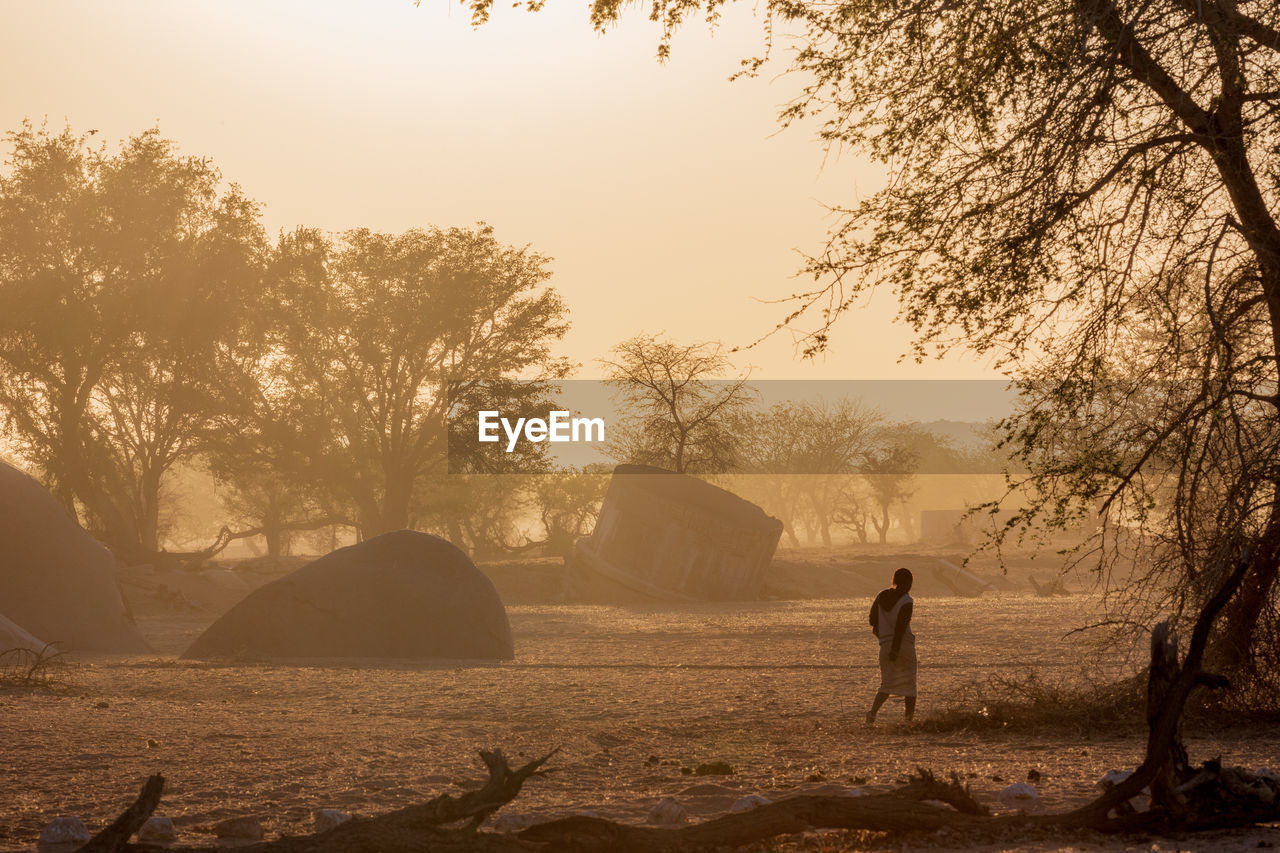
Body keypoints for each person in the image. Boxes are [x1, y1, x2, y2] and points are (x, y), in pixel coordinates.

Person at [866, 567, 916, 724]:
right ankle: (908, 721)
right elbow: (901, 627)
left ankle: (872, 715)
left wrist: (883, 638)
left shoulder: (881, 596)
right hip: (903, 646)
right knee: (910, 686)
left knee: (886, 684)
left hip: (885, 645)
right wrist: (895, 649)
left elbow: (872, 620)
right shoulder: (907, 600)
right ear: (908, 583)